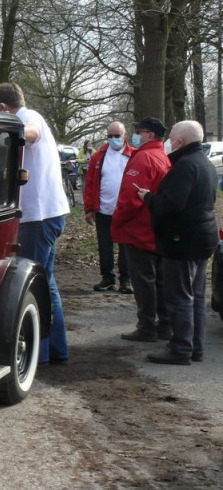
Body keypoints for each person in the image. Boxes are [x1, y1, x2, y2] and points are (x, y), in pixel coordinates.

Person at [0, 82, 70, 364]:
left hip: (39, 215)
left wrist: (6, 131)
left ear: (2, 107)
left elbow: (31, 133)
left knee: (33, 284)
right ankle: (54, 349)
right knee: (45, 282)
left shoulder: (27, 117)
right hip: (44, 213)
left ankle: (42, 352)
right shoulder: (21, 120)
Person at [137, 120, 217, 365]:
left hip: (183, 240)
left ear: (180, 141)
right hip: (203, 236)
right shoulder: (205, 163)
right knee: (196, 295)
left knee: (180, 296)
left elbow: (172, 205)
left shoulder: (185, 166)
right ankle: (195, 347)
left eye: (172, 136)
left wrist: (148, 197)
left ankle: (181, 348)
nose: (169, 141)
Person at [111, 117, 172, 343]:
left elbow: (129, 197)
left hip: (140, 229)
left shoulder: (143, 158)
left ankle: (146, 326)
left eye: (139, 131)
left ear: (150, 135)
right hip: (156, 228)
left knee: (143, 280)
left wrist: (118, 221)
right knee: (160, 279)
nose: (135, 134)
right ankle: (165, 324)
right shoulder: (162, 157)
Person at [83, 121, 134, 292]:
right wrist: (89, 209)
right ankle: (107, 277)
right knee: (105, 245)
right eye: (110, 136)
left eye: (117, 136)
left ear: (124, 135)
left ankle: (126, 279)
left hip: (126, 210)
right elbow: (90, 183)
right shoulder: (99, 156)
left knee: (126, 246)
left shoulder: (134, 155)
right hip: (103, 209)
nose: (113, 139)